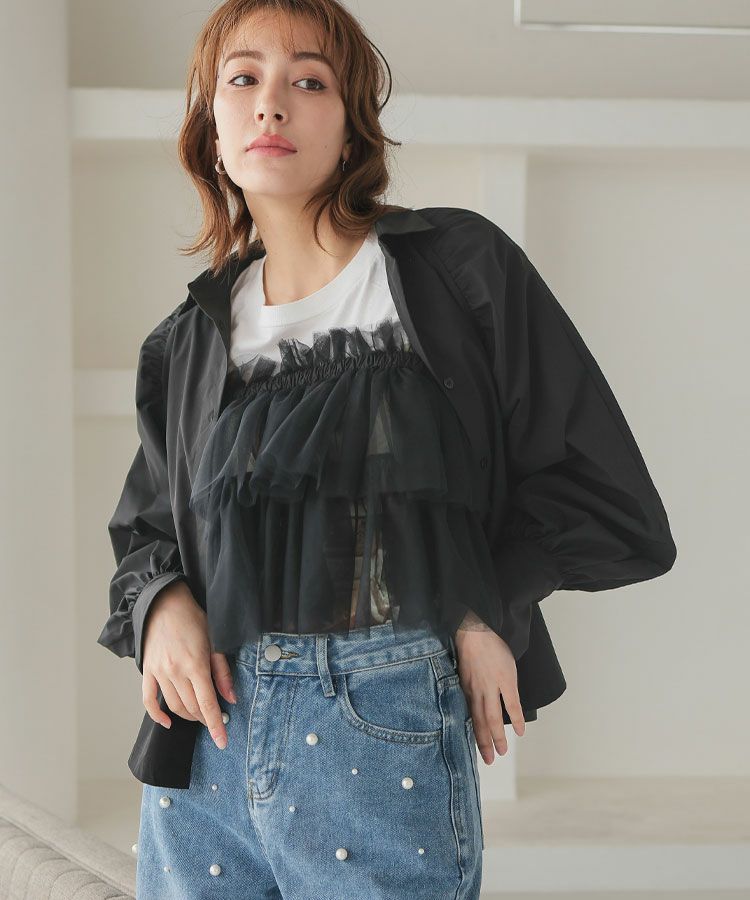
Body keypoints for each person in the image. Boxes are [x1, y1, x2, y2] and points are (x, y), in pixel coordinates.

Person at [97, 1, 677, 897]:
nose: (271, 102)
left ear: (353, 128)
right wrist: (162, 605)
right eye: (243, 78)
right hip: (204, 745)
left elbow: (603, 491)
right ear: (211, 131)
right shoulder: (187, 342)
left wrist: (483, 607)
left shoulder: (455, 270)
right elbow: (147, 533)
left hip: (383, 717)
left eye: (309, 80)